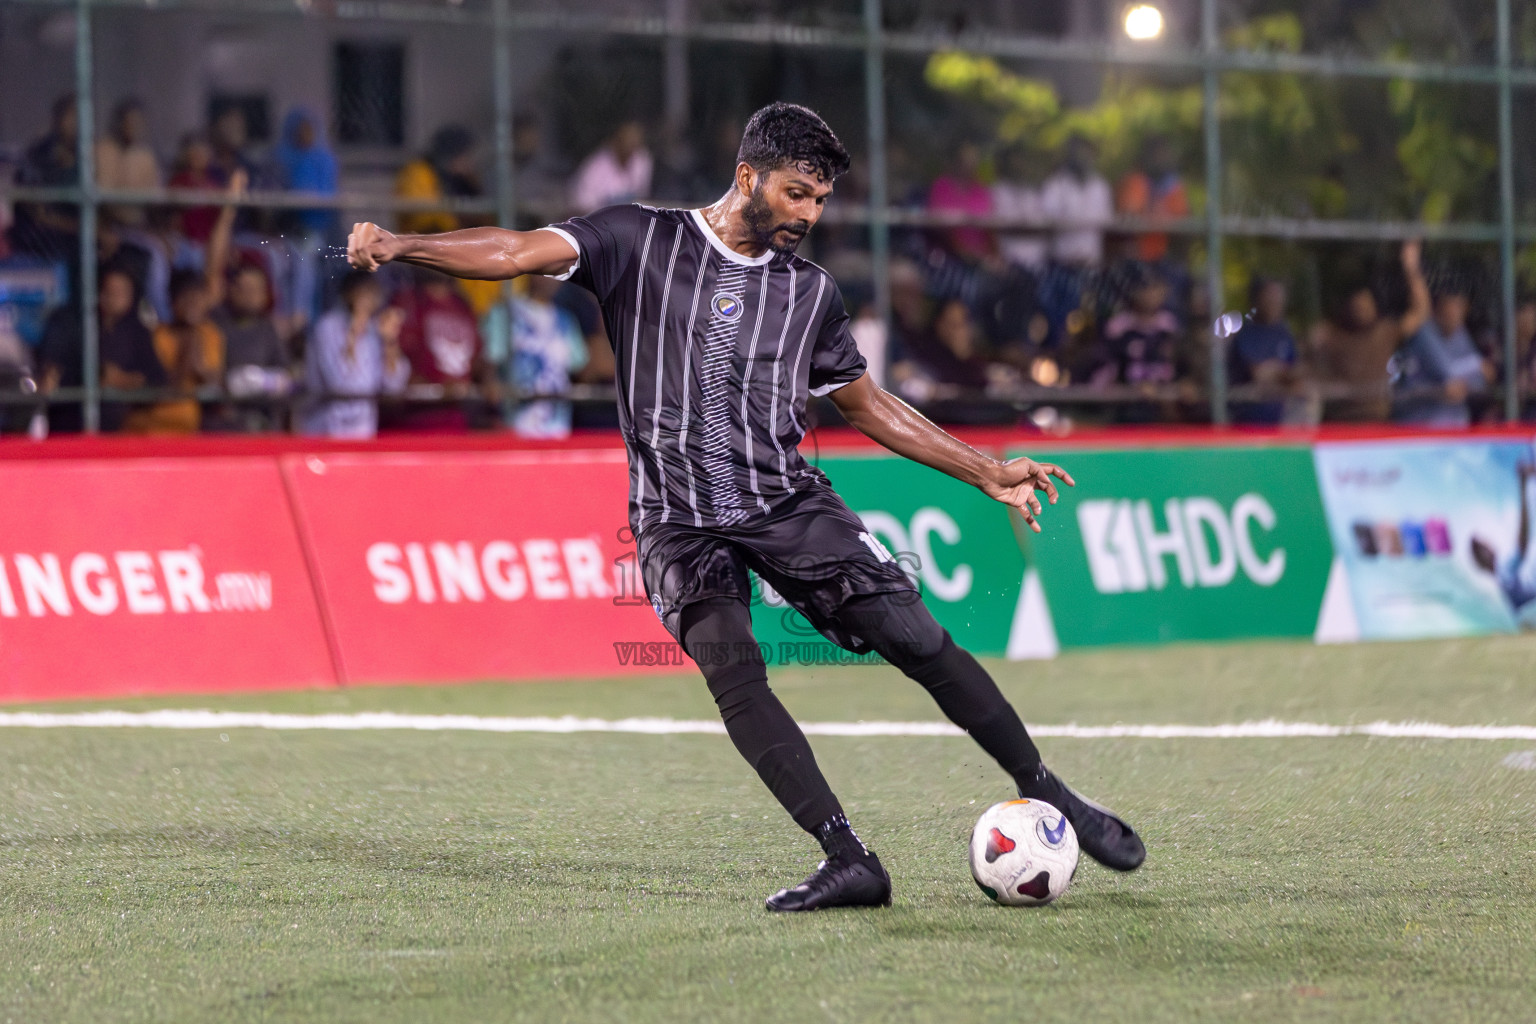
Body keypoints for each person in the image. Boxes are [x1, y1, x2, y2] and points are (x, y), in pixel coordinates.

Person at [346, 101, 1144, 912]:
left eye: (821, 200)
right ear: (747, 177)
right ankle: (848, 857)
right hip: (676, 519)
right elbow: (515, 251)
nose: (809, 214)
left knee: (916, 637)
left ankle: (1051, 791)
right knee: (735, 670)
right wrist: (404, 245)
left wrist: (984, 470)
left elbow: (868, 407)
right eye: (797, 193)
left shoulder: (811, 293)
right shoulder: (638, 238)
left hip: (784, 500)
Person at [34, 264, 163, 434]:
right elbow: (52, 377)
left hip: (123, 430)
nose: (114, 297)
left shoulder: (136, 330)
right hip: (71, 423)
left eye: (122, 292)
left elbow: (158, 380)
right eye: (110, 291)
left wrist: (125, 380)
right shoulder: (69, 323)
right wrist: (96, 377)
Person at [1310, 241, 1429, 422]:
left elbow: (1420, 311)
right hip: (1338, 423)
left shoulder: (1385, 331)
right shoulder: (1330, 334)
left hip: (1376, 422)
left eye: (1366, 305)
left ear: (1375, 306)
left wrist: (1411, 267)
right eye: (1356, 306)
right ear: (1346, 308)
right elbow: (1308, 368)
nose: (1361, 310)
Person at [299, 270, 408, 439]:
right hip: (325, 430)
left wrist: (390, 342)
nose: (367, 300)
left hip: (363, 431)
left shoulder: (374, 330)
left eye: (372, 294)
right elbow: (342, 384)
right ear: (347, 295)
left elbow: (394, 386)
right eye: (362, 294)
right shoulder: (328, 328)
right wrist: (355, 330)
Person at [483, 273, 588, 438]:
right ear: (530, 273)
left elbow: (579, 367)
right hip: (514, 426)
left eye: (557, 273)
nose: (551, 278)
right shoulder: (506, 313)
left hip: (558, 427)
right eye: (545, 271)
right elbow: (488, 365)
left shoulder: (566, 320)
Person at [388, 266, 488, 431]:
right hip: (417, 423)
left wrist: (486, 382)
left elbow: (478, 358)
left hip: (457, 422)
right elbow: (393, 365)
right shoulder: (407, 302)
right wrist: (436, 388)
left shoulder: (462, 305)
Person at [1391, 280, 1491, 427]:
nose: (1456, 312)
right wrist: (1476, 365)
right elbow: (1446, 371)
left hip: (1453, 428)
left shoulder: (1460, 334)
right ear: (1437, 309)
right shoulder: (1422, 333)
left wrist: (1472, 376)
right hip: (1418, 426)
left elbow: (1481, 382)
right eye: (1452, 305)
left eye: (1461, 306)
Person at [1229, 276, 1300, 425]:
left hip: (1281, 422)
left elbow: (1297, 371)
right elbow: (1259, 373)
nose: (1275, 301)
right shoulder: (1246, 334)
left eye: (1279, 296)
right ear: (1257, 299)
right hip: (1248, 421)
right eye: (1270, 295)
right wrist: (1283, 373)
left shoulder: (1284, 333)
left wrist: (1283, 373)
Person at [1115, 136, 1188, 264]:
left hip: (1162, 256)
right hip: (1135, 257)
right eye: (1157, 154)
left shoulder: (1172, 185)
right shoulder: (1135, 181)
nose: (1162, 159)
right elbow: (1129, 217)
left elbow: (1183, 219)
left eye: (1165, 154)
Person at [95, 98, 161, 228]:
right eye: (129, 121)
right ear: (119, 122)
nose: (133, 127)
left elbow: (154, 197)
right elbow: (104, 198)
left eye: (138, 123)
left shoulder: (145, 156)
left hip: (141, 226)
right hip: (109, 226)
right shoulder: (103, 150)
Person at [926, 142, 994, 262]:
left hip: (983, 256)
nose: (971, 164)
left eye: (974, 160)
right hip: (950, 256)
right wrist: (966, 254)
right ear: (956, 162)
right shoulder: (942, 187)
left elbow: (991, 228)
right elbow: (942, 229)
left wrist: (993, 256)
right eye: (966, 160)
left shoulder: (980, 189)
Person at [570, 120, 653, 214]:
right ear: (616, 140)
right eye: (627, 139)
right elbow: (581, 205)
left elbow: (641, 196)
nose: (631, 144)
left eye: (635, 141)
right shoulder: (595, 167)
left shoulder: (641, 159)